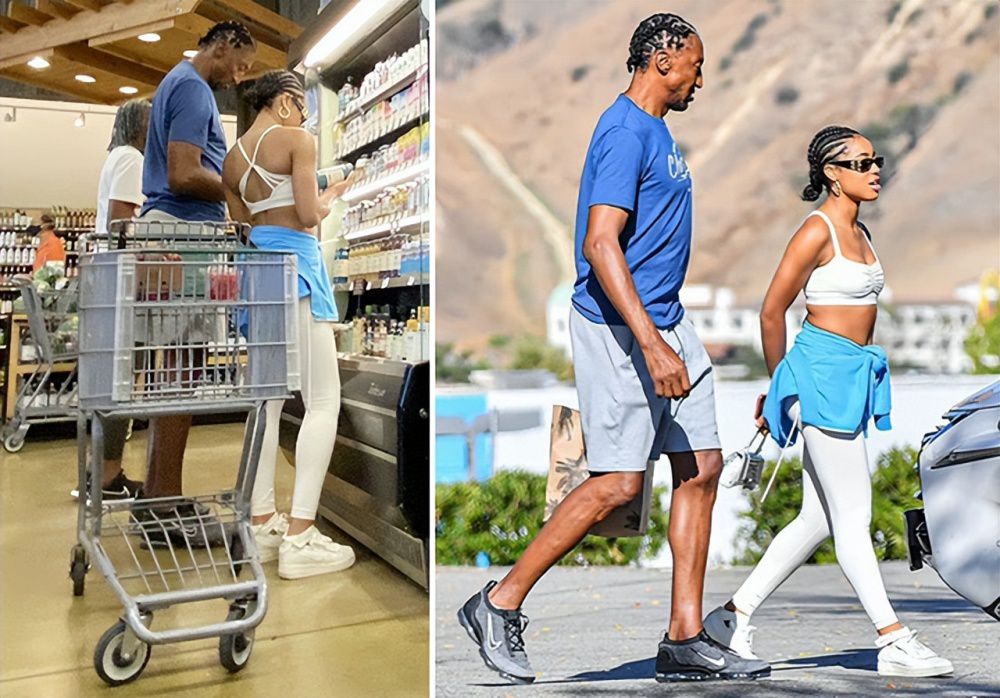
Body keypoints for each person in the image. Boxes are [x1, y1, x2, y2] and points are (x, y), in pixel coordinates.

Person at [457, 14, 770, 684]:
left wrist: (670, 333)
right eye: (696, 64)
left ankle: (684, 639)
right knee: (619, 482)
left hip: (666, 320)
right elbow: (601, 244)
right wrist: (653, 346)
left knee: (702, 466)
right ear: (664, 60)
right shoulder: (624, 130)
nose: (701, 79)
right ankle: (497, 601)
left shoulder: (658, 132)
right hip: (620, 328)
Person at [702, 126, 953, 678]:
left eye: (876, 160)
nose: (873, 170)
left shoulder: (860, 231)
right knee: (853, 519)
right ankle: (893, 637)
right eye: (860, 163)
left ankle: (730, 618)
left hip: (849, 379)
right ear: (831, 174)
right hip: (817, 376)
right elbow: (771, 311)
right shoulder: (816, 232)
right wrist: (780, 384)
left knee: (818, 518)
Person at [221, 70, 355, 579]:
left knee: (267, 403)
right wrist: (334, 194)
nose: (304, 117)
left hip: (258, 279)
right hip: (299, 273)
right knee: (323, 401)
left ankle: (262, 522)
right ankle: (301, 535)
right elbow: (306, 216)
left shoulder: (233, 160)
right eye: (301, 106)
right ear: (283, 102)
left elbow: (244, 228)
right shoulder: (298, 140)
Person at [131, 20, 257, 546]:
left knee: (174, 369)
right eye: (241, 63)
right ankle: (163, 507)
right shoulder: (193, 89)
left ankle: (161, 496)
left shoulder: (177, 84)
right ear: (222, 45)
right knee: (182, 366)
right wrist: (233, 191)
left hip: (173, 235)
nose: (240, 76)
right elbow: (183, 171)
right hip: (182, 236)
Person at [74, 99, 153, 503]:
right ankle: (107, 476)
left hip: (109, 283)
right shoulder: (131, 159)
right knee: (123, 380)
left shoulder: (115, 157)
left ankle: (98, 472)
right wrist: (146, 265)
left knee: (114, 382)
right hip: (121, 285)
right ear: (139, 126)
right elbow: (122, 223)